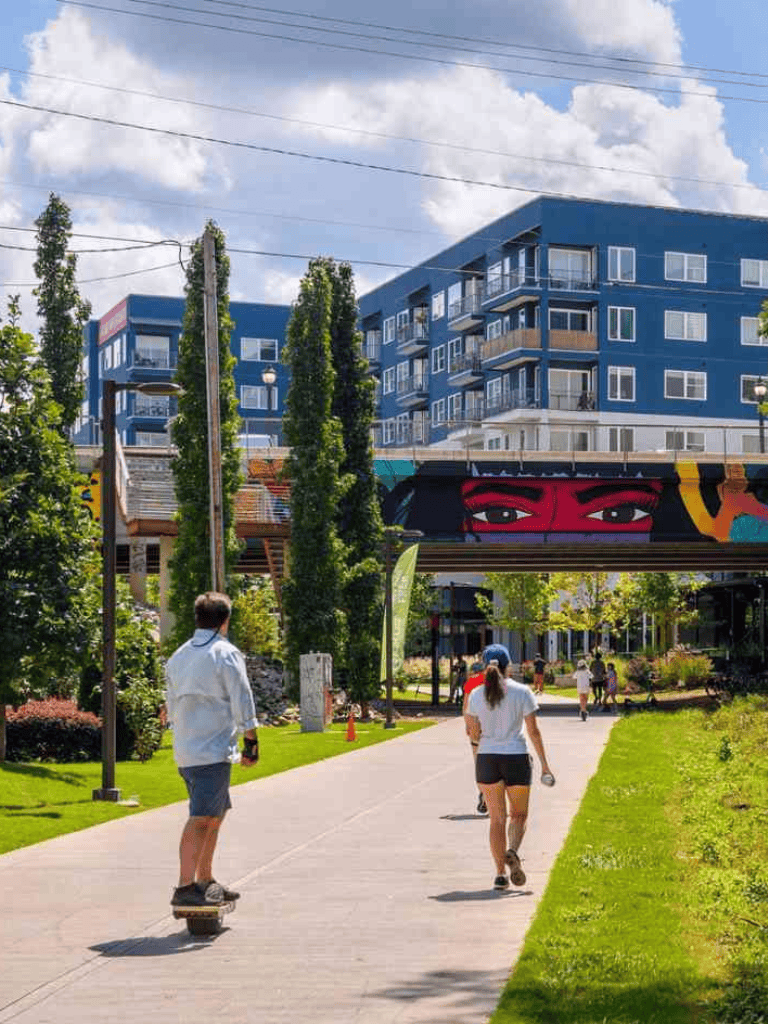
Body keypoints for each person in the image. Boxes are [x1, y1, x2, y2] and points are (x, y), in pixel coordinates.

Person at [165, 591, 260, 908]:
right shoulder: (225, 653)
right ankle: (185, 886)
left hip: (187, 750)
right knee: (202, 817)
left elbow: (170, 704)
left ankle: (205, 880)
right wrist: (251, 741)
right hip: (212, 750)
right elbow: (242, 697)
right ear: (225, 621)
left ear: (197, 618)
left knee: (215, 815)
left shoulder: (178, 656)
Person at [465, 662, 555, 891]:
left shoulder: (475, 694)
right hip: (516, 757)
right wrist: (544, 765)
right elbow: (533, 731)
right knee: (519, 815)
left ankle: (499, 874)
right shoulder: (522, 691)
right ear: (508, 668)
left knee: (496, 820)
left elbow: (473, 733)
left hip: (487, 759)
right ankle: (512, 851)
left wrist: (480, 747)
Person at [462, 643, 512, 815]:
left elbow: (466, 709)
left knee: (481, 766)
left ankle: (485, 794)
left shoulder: (474, 682)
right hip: (502, 732)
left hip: (479, 732)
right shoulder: (510, 685)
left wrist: (469, 727)